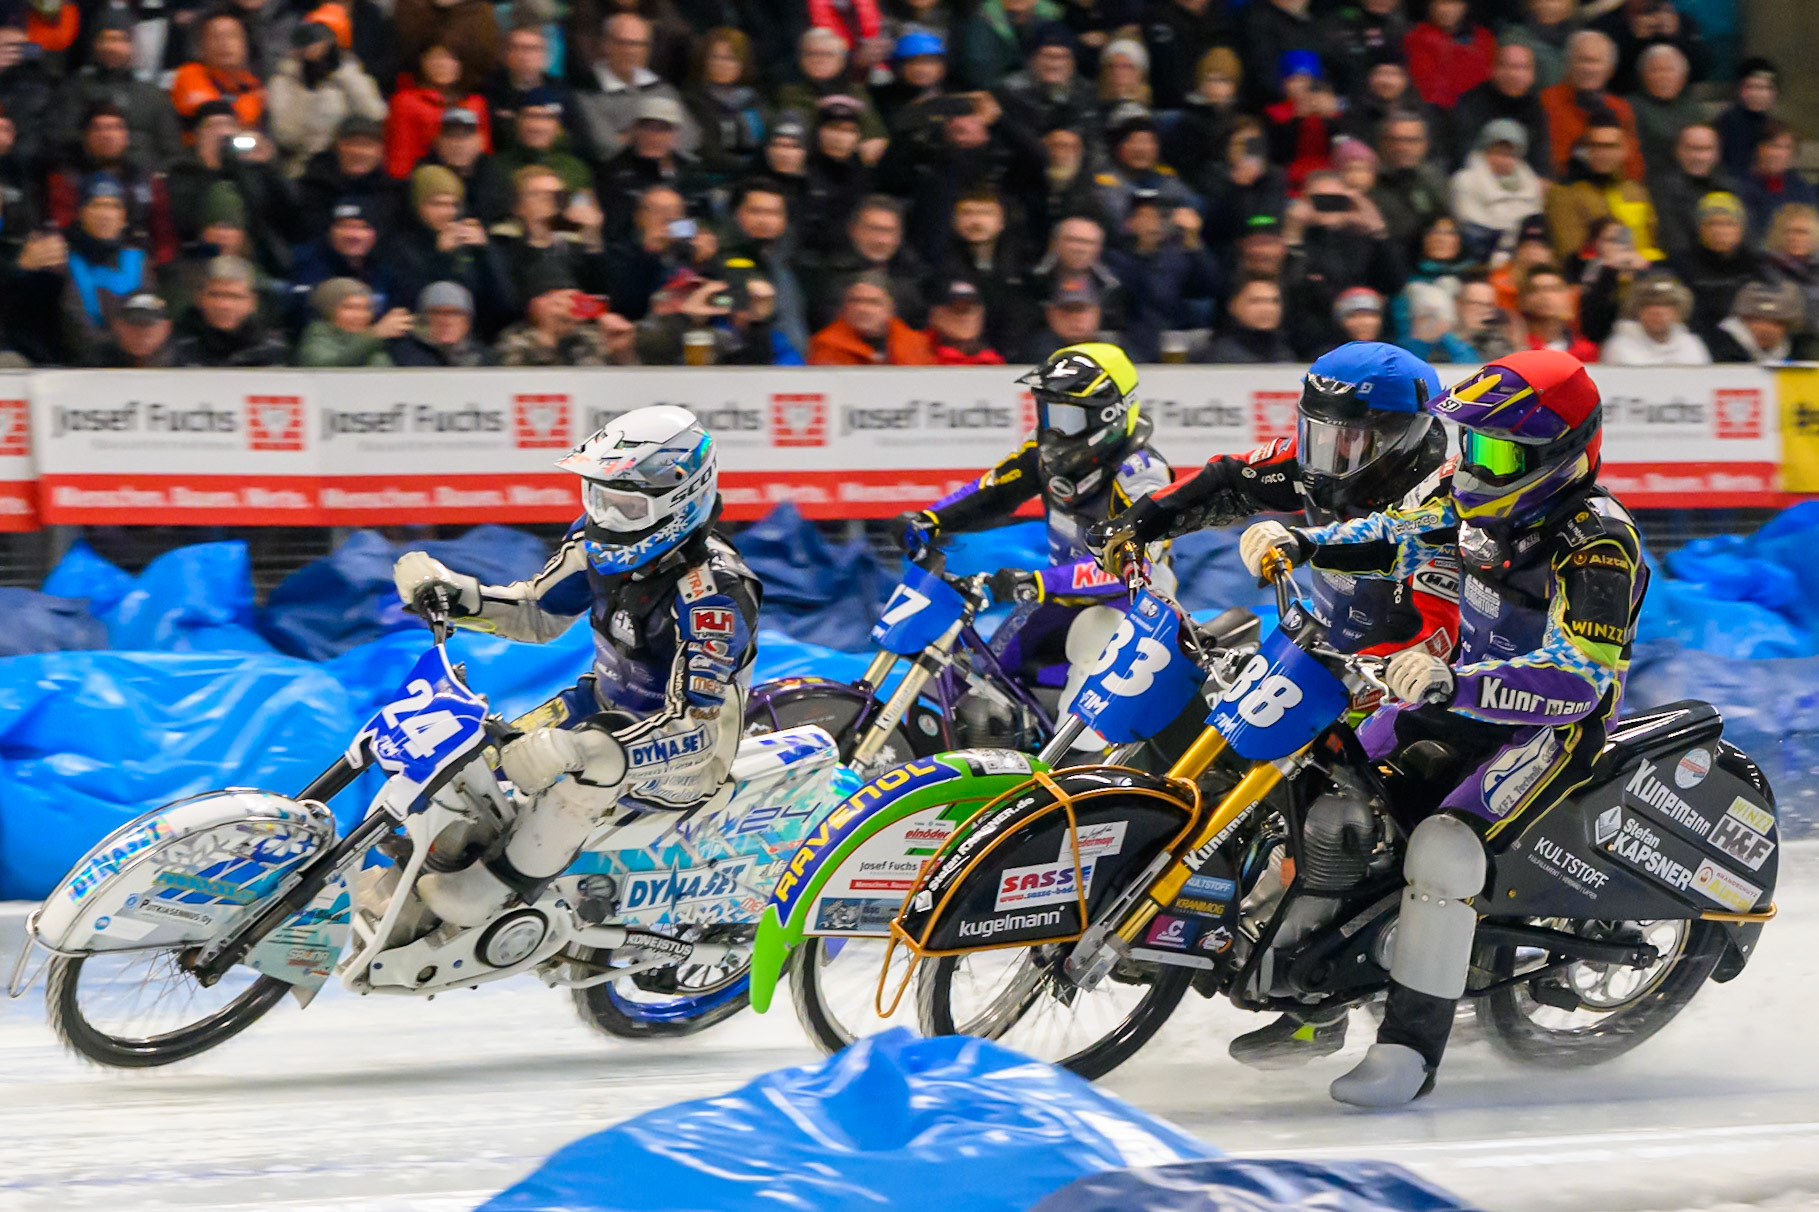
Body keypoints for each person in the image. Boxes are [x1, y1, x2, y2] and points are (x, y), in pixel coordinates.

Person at [1237, 350, 1645, 1106]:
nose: (1473, 468)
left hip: (1544, 728)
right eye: (1469, 445)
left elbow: (1581, 677)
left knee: (1443, 851)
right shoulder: (1464, 498)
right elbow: (1394, 533)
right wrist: (1303, 543)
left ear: (1561, 453)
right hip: (1451, 694)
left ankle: (1408, 1053)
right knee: (1325, 781)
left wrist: (1459, 680)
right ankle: (1309, 993)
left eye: (1494, 452)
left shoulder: (1596, 542)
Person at [1088, 341, 1459, 1064]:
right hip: (1325, 647)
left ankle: (1322, 996)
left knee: (1340, 812)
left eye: (1351, 439)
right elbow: (1231, 479)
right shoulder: (1322, 459)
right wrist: (1147, 521)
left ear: (1404, 438)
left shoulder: (1445, 496)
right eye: (1320, 431)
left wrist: (1413, 666)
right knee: (1227, 761)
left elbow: (1451, 602)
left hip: (1430, 672)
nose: (1328, 454)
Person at [389, 406, 762, 928]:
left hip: (686, 757)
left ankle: (491, 891)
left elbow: (692, 728)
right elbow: (537, 613)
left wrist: (579, 747)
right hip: (600, 706)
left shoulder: (714, 596)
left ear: (678, 501)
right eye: (599, 498)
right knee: (474, 755)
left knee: (589, 763)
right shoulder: (598, 542)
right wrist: (458, 597)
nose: (605, 518)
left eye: (624, 505)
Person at [902, 342, 1171, 723]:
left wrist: (1039, 582)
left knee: (1081, 722)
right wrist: (930, 520)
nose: (1053, 430)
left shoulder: (1143, 474)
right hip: (1057, 596)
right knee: (984, 673)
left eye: (1068, 417)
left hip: (1133, 609)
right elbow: (994, 491)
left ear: (1110, 414)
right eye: (1047, 413)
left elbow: (1130, 564)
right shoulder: (1040, 452)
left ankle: (1081, 772)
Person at [267, 17, 386, 178]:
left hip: (347, 164)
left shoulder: (349, 73)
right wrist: (311, 93)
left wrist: (341, 72)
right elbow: (287, 136)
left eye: (321, 42)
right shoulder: (284, 81)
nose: (315, 48)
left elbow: (375, 114)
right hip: (304, 168)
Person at [1539, 30, 1643, 181]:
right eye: (1582, 60)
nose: (1588, 68)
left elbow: (1632, 167)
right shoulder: (1546, 102)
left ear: (1610, 69)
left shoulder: (1622, 109)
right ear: (1568, 64)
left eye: (1596, 61)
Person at [1450, 119, 1545, 261]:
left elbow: (1534, 226)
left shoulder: (1532, 185)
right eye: (1499, 153)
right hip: (1479, 255)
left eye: (1511, 154)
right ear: (1484, 151)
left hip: (1522, 255)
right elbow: (1468, 223)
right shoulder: (1465, 181)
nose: (1504, 160)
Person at [170, 255, 290, 366]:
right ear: (199, 298)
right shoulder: (174, 346)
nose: (224, 305)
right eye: (215, 295)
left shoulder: (271, 350)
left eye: (235, 296)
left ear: (252, 302)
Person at [807, 271, 936, 364]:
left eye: (874, 302)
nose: (863, 309)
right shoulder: (826, 345)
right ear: (844, 308)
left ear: (890, 309)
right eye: (856, 301)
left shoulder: (916, 344)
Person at [1600, 270, 1710, 365]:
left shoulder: (1691, 344)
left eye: (1666, 305)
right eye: (1648, 305)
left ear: (1678, 313)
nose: (1658, 312)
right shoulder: (1620, 346)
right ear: (1637, 312)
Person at [295, 276, 407, 365]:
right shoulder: (317, 334)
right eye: (350, 307)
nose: (359, 315)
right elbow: (323, 366)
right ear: (329, 310)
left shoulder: (372, 344)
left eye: (366, 308)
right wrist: (374, 335)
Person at [388, 280, 494, 365]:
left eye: (455, 313)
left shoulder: (484, 360)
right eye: (437, 313)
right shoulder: (401, 356)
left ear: (467, 321)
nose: (446, 321)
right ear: (423, 318)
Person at [1706, 281, 1807, 365]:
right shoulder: (1714, 351)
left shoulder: (1796, 355)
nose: (1766, 328)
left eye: (1776, 322)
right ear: (1741, 321)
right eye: (1757, 319)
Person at [87, 289, 176, 367]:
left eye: (149, 324)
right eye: (134, 322)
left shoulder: (184, 368)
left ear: (167, 327)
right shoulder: (91, 365)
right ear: (117, 325)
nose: (142, 333)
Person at [926, 276, 1004, 364]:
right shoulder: (921, 355)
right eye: (957, 310)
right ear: (936, 314)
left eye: (970, 310)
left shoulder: (991, 361)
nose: (964, 318)